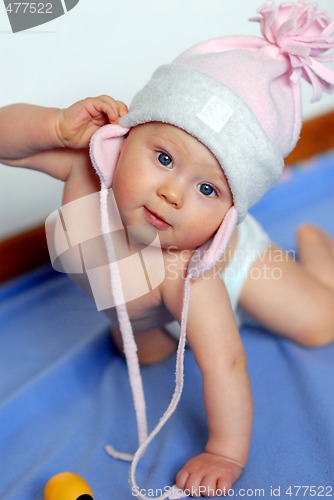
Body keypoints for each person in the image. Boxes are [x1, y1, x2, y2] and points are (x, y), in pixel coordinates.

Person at [1, 1, 334, 497]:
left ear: (226, 214)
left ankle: (317, 253)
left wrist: (224, 451)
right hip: (140, 311)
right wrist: (54, 126)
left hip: (234, 267)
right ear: (123, 138)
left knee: (320, 324)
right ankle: (147, 323)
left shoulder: (188, 277)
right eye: (162, 157)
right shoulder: (86, 171)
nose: (172, 194)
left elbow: (226, 363)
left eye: (208, 190)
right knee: (148, 349)